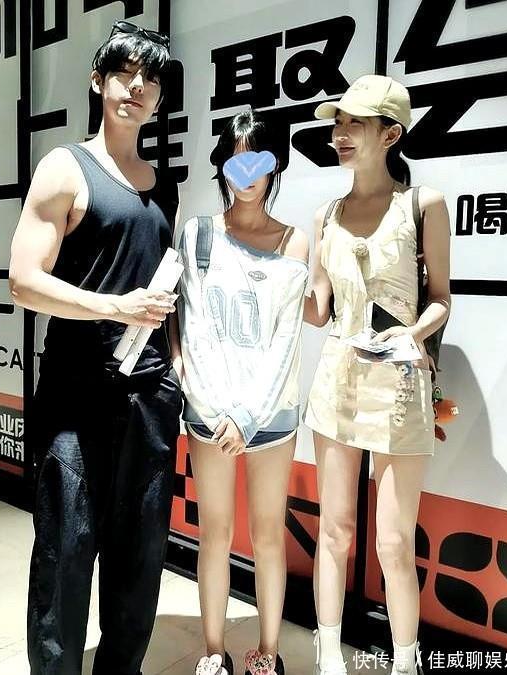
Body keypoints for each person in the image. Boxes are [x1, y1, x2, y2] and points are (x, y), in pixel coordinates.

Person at [8, 21, 181, 675]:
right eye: (124, 74)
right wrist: (114, 306)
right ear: (97, 82)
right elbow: (24, 280)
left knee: (140, 556)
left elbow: (164, 285)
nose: (137, 87)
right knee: (66, 549)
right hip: (77, 393)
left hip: (150, 395)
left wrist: (177, 370)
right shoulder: (65, 167)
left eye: (150, 79)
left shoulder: (161, 183)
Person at [303, 75, 451, 675]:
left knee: (393, 542)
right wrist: (278, 282)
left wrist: (411, 334)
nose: (340, 135)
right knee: (334, 531)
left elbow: (440, 299)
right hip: (337, 379)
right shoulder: (324, 215)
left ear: (390, 135)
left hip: (400, 385)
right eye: (338, 124)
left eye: (354, 125)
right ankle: (328, 653)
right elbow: (319, 309)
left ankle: (405, 661)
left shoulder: (423, 204)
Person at [175, 109, 309, 675]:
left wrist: (248, 415)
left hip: (271, 415)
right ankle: (214, 652)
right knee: (215, 533)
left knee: (268, 536)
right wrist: (218, 411)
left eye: (257, 160)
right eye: (235, 161)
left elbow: (285, 341)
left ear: (274, 165)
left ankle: (268, 654)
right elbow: (192, 331)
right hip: (209, 413)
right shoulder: (198, 234)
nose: (246, 174)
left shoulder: (294, 242)